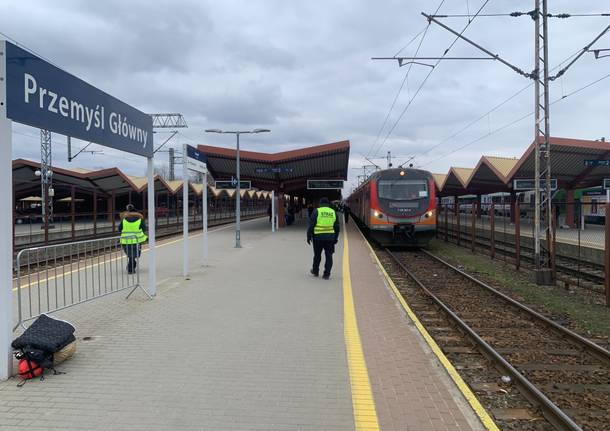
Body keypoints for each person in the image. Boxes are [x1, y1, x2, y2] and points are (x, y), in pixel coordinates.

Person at [307, 197, 340, 280]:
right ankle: (326, 274)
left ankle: (315, 271)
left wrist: (308, 236)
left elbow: (311, 225)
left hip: (318, 237)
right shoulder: (333, 212)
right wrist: (336, 238)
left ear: (320, 204)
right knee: (329, 256)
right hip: (330, 238)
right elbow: (337, 227)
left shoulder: (316, 211)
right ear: (328, 204)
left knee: (317, 255)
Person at [119, 204, 148, 274]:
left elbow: (119, 229)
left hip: (125, 241)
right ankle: (131, 269)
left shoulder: (124, 220)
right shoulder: (140, 220)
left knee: (130, 255)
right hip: (136, 241)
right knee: (133, 255)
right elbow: (144, 228)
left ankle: (131, 268)